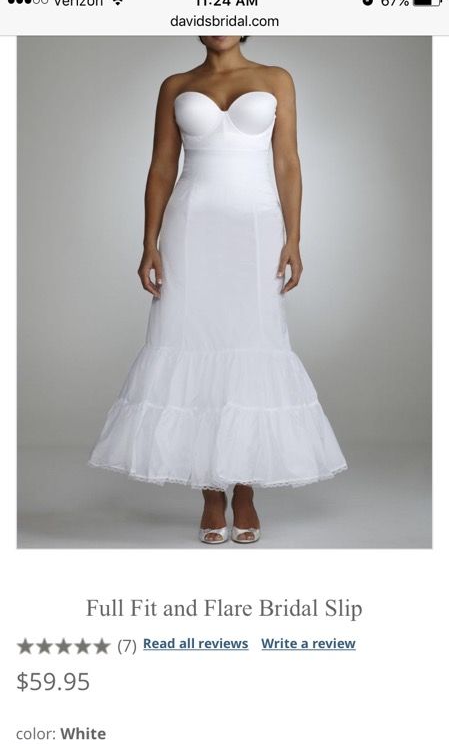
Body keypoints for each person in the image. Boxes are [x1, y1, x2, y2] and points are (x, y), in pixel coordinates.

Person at [88, 36, 348, 545]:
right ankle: (210, 494)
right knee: (192, 346)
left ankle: (244, 490)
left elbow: (288, 162)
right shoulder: (176, 85)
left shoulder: (276, 78)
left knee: (252, 347)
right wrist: (149, 243)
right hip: (191, 229)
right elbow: (162, 166)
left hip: (254, 229)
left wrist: (294, 238)